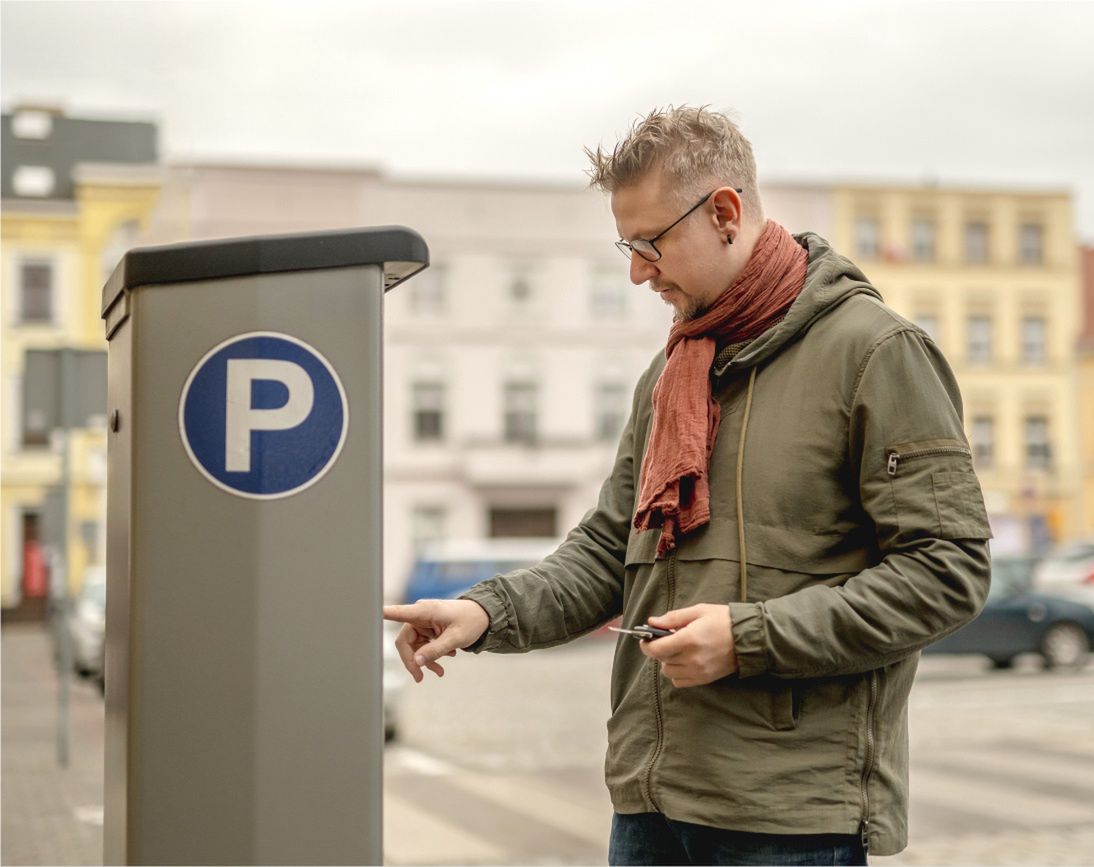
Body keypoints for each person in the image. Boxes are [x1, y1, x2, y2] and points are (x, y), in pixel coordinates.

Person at [384, 105, 992, 866]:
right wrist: (483, 611)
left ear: (726, 213)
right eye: (627, 246)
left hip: (788, 819)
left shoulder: (876, 353)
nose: (637, 270)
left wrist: (746, 639)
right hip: (649, 805)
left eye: (650, 243)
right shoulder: (672, 371)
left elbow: (948, 573)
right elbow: (610, 550)